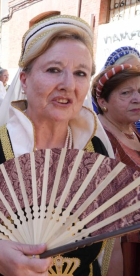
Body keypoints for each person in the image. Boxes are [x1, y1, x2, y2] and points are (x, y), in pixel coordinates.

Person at [0, 15, 121, 276]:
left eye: (80, 73)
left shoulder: (95, 152)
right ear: (23, 79)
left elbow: (108, 247)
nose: (68, 85)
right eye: (54, 69)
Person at [92, 64, 140, 276]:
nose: (137, 99)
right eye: (126, 93)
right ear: (103, 102)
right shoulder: (98, 140)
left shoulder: (132, 130)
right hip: (121, 247)